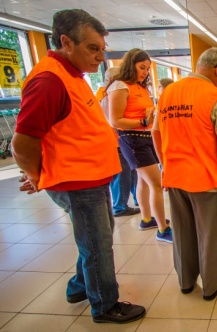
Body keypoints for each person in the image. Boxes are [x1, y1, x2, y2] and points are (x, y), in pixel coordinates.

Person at [11, 9, 145, 324]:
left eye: (102, 48)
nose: (101, 56)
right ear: (66, 42)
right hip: (77, 182)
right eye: (92, 48)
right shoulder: (48, 81)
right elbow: (22, 143)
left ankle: (79, 287)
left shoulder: (73, 75)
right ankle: (105, 305)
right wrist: (38, 175)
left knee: (96, 238)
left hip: (90, 178)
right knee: (98, 244)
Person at [152, 47, 217, 300]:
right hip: (206, 180)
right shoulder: (214, 96)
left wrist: (164, 165)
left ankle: (186, 282)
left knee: (182, 232)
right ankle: (212, 285)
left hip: (175, 177)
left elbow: (155, 133)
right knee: (210, 235)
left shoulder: (168, 92)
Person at [107, 48, 172, 243]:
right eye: (141, 67)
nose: (145, 72)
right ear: (131, 65)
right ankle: (163, 229)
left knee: (143, 181)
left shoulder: (141, 87)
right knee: (156, 184)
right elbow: (115, 120)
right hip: (132, 139)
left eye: (147, 68)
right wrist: (143, 122)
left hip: (146, 137)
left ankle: (146, 219)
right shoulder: (119, 85)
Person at [99, 66, 139, 217]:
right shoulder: (110, 97)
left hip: (120, 140)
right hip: (116, 141)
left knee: (132, 172)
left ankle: (136, 198)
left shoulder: (105, 96)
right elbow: (114, 121)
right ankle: (120, 206)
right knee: (123, 175)